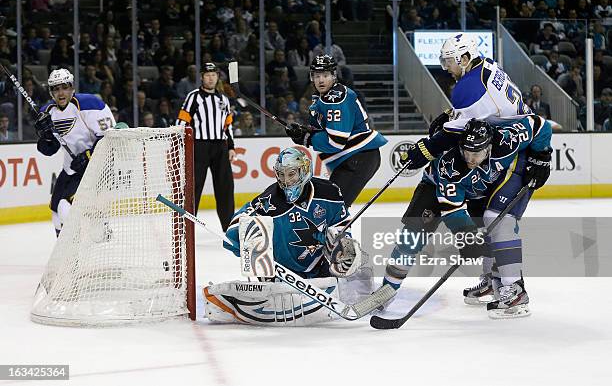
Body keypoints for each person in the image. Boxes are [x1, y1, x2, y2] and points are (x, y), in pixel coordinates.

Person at [382, 117, 552, 318]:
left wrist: (541, 157)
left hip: (493, 186)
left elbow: (540, 125)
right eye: (467, 152)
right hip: (449, 188)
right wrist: (467, 238)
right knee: (413, 235)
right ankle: (387, 291)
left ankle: (507, 288)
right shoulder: (449, 166)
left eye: (476, 153)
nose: (471, 159)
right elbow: (452, 208)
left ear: (488, 148)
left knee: (496, 224)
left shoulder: (506, 140)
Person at [205, 148, 363, 325]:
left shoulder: (330, 192)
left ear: (304, 171)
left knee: (348, 248)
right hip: (282, 276)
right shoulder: (268, 202)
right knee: (254, 229)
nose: (286, 181)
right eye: (281, 175)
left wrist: (343, 246)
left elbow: (341, 226)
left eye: (291, 174)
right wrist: (249, 243)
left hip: (321, 271)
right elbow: (234, 230)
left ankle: (342, 287)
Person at [401, 33, 533, 170]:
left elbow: (453, 134)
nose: (446, 68)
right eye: (444, 62)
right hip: (525, 128)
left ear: (464, 59)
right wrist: (450, 115)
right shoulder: (487, 63)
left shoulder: (467, 86)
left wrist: (426, 150)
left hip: (513, 144)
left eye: (449, 61)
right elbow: (486, 105)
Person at [285, 55, 387, 207]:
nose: (320, 80)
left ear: (333, 75)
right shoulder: (321, 97)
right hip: (351, 158)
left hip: (358, 157)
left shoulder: (336, 97)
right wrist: (303, 131)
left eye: (325, 75)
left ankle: (341, 231)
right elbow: (321, 130)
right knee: (330, 207)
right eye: (317, 75)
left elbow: (336, 141)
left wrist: (307, 138)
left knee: (333, 208)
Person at [34, 69, 115, 236]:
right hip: (71, 168)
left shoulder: (90, 105)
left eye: (65, 87)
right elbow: (50, 149)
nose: (61, 92)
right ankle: (64, 253)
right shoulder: (48, 112)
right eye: (56, 89)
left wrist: (88, 156)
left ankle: (86, 240)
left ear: (72, 88)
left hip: (97, 166)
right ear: (51, 92)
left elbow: (110, 138)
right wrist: (46, 137)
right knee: (56, 208)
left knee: (65, 206)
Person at [176, 62, 235, 230]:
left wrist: (231, 147)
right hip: (199, 147)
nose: (211, 78)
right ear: (202, 77)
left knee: (225, 187)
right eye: (207, 75)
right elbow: (181, 123)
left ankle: (229, 227)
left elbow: (227, 125)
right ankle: (186, 227)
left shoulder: (223, 99)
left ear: (218, 77)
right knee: (194, 188)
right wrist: (182, 147)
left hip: (220, 148)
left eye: (214, 75)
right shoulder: (193, 97)